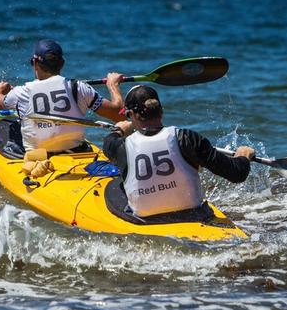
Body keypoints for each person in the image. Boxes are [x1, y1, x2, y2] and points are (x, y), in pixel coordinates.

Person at [103, 85, 255, 218]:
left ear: (131, 115)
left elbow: (107, 144)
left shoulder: (120, 147)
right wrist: (243, 157)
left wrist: (118, 130)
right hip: (191, 214)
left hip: (144, 220)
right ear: (161, 111)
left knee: (117, 186)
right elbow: (237, 173)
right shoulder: (187, 138)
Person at [0, 39, 124, 153]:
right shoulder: (79, 87)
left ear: (35, 63)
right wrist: (113, 84)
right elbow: (118, 114)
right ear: (62, 64)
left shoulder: (21, 92)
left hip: (38, 157)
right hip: (75, 150)